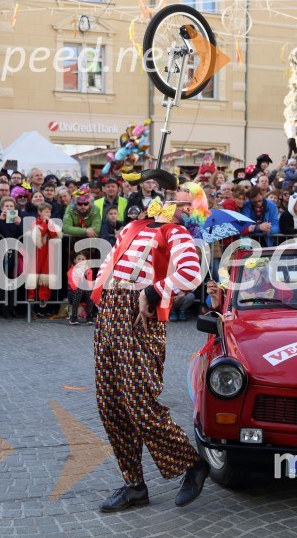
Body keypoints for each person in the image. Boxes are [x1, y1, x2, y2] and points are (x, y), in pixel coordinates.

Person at [91, 182, 209, 512]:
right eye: (161, 199)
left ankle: (192, 463)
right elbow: (109, 263)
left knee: (138, 402)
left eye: (175, 201)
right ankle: (134, 485)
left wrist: (153, 293)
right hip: (111, 311)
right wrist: (100, 298)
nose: (161, 203)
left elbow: (191, 273)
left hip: (138, 315)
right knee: (110, 404)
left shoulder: (176, 232)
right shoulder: (132, 227)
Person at [67, 250, 96, 325]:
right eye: (79, 259)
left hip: (85, 293)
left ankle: (89, 316)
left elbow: (90, 285)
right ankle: (73, 317)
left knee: (89, 292)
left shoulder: (89, 270)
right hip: (74, 294)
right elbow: (73, 286)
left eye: (83, 259)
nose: (81, 261)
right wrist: (80, 275)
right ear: (75, 260)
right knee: (78, 291)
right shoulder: (71, 271)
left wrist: (86, 275)